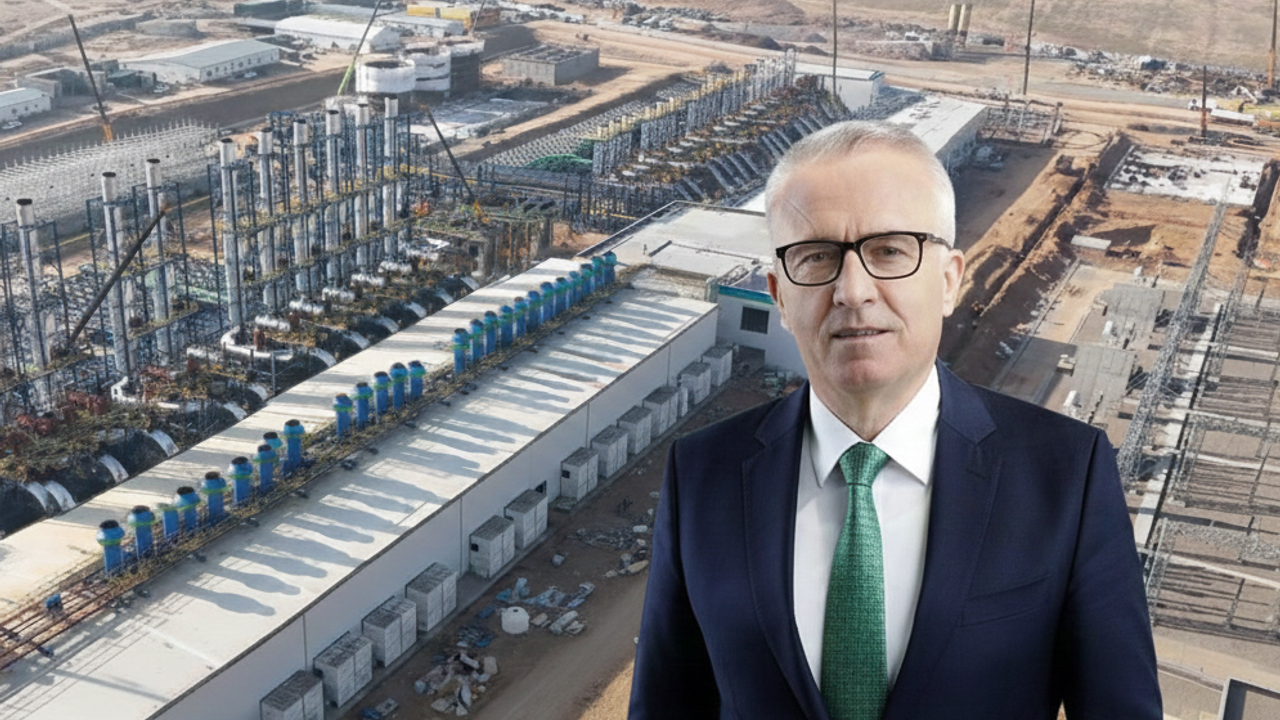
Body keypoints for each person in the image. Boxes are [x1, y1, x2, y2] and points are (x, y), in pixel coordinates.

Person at [628, 121, 1161, 720]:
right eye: (817, 257)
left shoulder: (1067, 476)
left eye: (889, 250)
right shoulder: (702, 474)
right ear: (780, 297)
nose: (853, 291)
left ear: (949, 280)